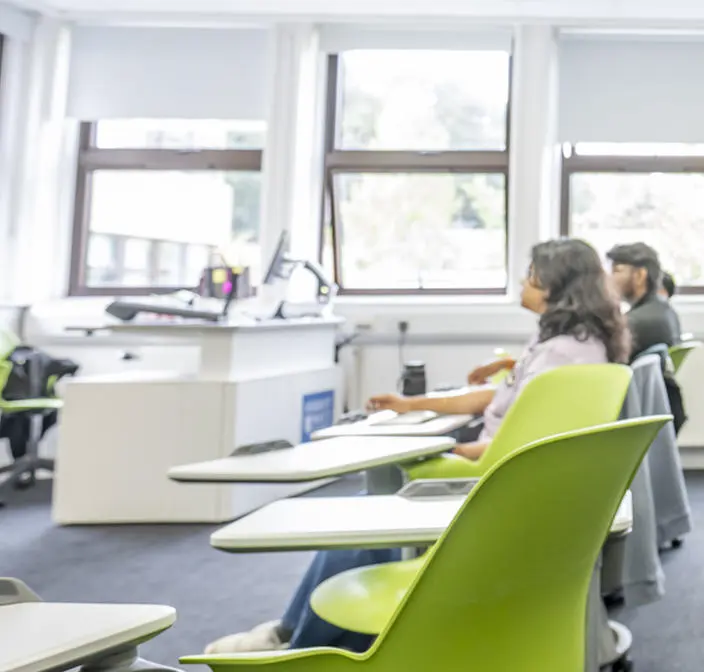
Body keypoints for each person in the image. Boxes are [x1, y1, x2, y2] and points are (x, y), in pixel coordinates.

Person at [205, 238, 629, 654]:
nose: (523, 283)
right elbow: (506, 402)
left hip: (488, 479)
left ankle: (297, 640)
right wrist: (414, 405)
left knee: (368, 512)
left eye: (531, 276)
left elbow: (534, 444)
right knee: (372, 508)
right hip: (494, 470)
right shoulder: (569, 343)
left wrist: (447, 451)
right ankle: (300, 634)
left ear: (556, 286)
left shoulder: (565, 354)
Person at [607, 242, 682, 361]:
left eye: (617, 271)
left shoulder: (634, 323)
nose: (610, 278)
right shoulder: (667, 311)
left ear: (640, 275)